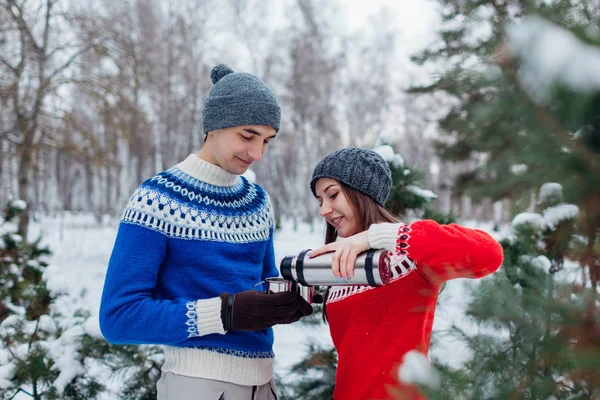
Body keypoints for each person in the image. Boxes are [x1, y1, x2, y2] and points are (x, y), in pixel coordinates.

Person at [99, 64, 312, 400]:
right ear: (214, 125)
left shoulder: (258, 202)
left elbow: (261, 288)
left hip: (264, 384)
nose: (257, 154)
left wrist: (288, 300)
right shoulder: (157, 199)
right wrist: (223, 313)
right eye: (247, 135)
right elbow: (118, 317)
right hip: (197, 384)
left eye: (267, 141)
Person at [308, 148, 504, 400]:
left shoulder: (409, 257)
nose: (324, 210)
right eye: (320, 201)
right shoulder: (342, 262)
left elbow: (489, 254)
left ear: (363, 194)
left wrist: (378, 236)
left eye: (332, 195)